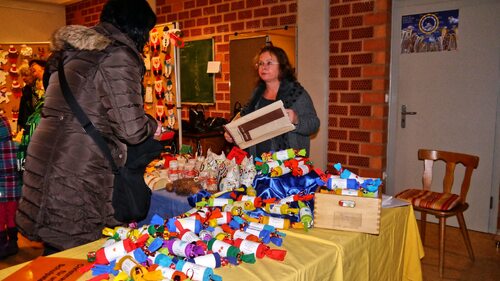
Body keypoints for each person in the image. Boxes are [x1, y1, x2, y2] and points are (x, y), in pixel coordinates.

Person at [16, 0, 161, 254]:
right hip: (79, 165)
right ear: (137, 28)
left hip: (50, 155)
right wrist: (153, 124)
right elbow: (133, 130)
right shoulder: (118, 55)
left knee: (58, 245)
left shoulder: (73, 53)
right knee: (79, 248)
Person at [224, 44, 320, 158]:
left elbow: (314, 124)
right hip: (258, 164)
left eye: (269, 63)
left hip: (288, 165)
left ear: (282, 67)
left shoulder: (296, 94)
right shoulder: (256, 96)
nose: (264, 67)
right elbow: (245, 122)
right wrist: (233, 134)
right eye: (260, 63)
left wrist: (296, 119)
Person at [17, 60, 46, 172]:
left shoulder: (40, 88)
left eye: (26, 75)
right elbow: (23, 110)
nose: (23, 78)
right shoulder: (27, 90)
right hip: (29, 124)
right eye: (22, 75)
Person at [0, 113, 21, 259]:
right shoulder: (17, 147)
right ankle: (13, 243)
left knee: (0, 218)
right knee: (12, 217)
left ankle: (1, 245)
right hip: (14, 190)